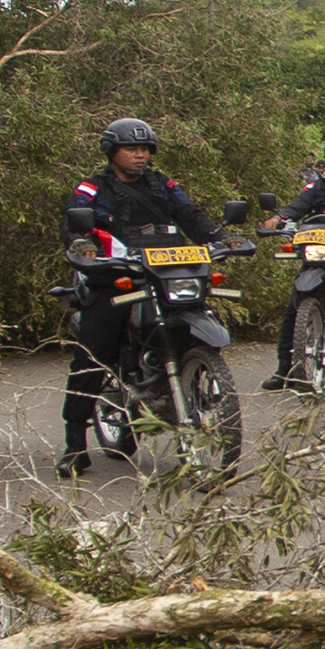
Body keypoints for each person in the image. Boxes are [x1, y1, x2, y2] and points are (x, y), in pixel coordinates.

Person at [59, 117, 213, 479]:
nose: (140, 155)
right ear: (113, 152)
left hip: (166, 275)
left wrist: (221, 236)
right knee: (92, 355)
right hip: (115, 279)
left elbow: (190, 215)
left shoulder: (163, 185)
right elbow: (72, 221)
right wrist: (81, 243)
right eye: (131, 149)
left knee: (198, 316)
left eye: (144, 149)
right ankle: (74, 445)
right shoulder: (92, 188)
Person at [266, 128, 325, 392]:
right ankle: (285, 369)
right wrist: (279, 219)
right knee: (294, 305)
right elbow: (296, 207)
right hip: (319, 256)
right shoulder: (317, 187)